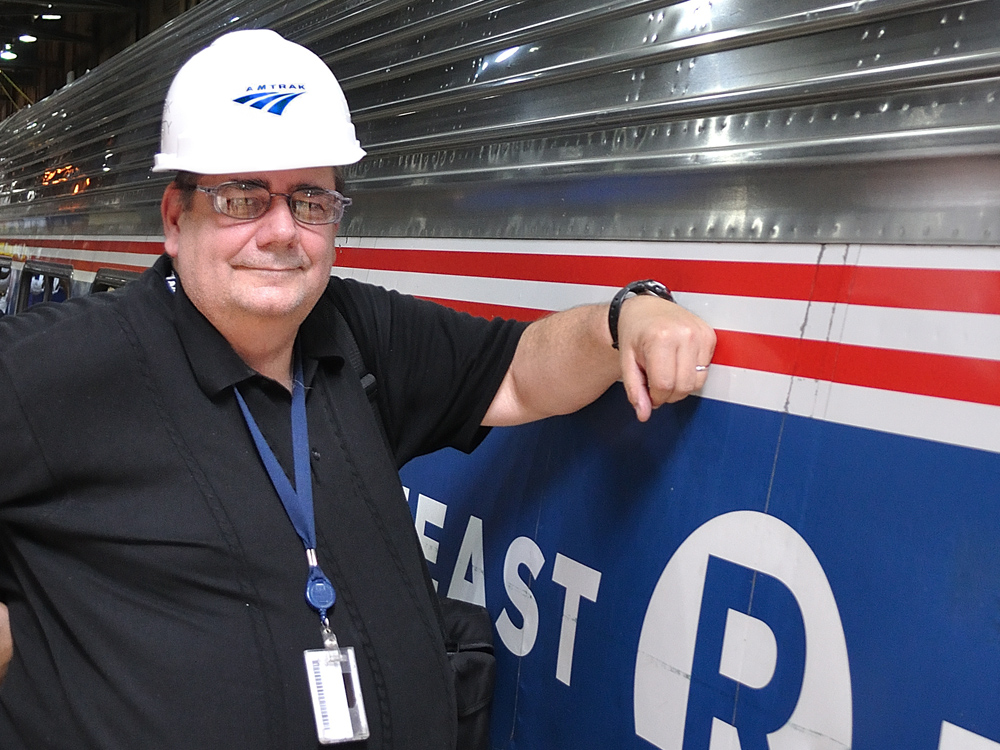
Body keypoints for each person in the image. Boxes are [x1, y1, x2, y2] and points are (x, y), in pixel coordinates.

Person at [0, 29, 715, 750]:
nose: (282, 232)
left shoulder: (352, 329)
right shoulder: (61, 369)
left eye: (310, 200)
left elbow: (520, 369)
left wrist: (627, 316)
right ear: (174, 216)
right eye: (242, 197)